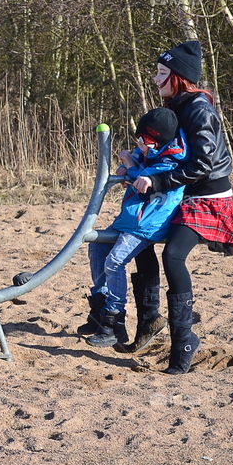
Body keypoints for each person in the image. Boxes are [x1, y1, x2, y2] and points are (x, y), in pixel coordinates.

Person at [128, 40, 233, 374]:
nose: (155, 79)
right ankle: (150, 322)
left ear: (179, 77)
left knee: (173, 256)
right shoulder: (177, 106)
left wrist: (159, 183)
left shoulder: (198, 108)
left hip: (206, 199)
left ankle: (184, 342)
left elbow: (202, 163)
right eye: (157, 72)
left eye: (162, 73)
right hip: (181, 194)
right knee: (141, 238)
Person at [84, 108, 188, 351]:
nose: (139, 145)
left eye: (144, 141)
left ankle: (114, 317)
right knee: (97, 247)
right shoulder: (149, 155)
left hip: (147, 225)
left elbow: (145, 182)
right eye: (138, 140)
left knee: (114, 262)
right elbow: (138, 169)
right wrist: (130, 165)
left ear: (157, 141)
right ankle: (100, 308)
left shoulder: (170, 161)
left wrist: (130, 166)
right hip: (130, 220)